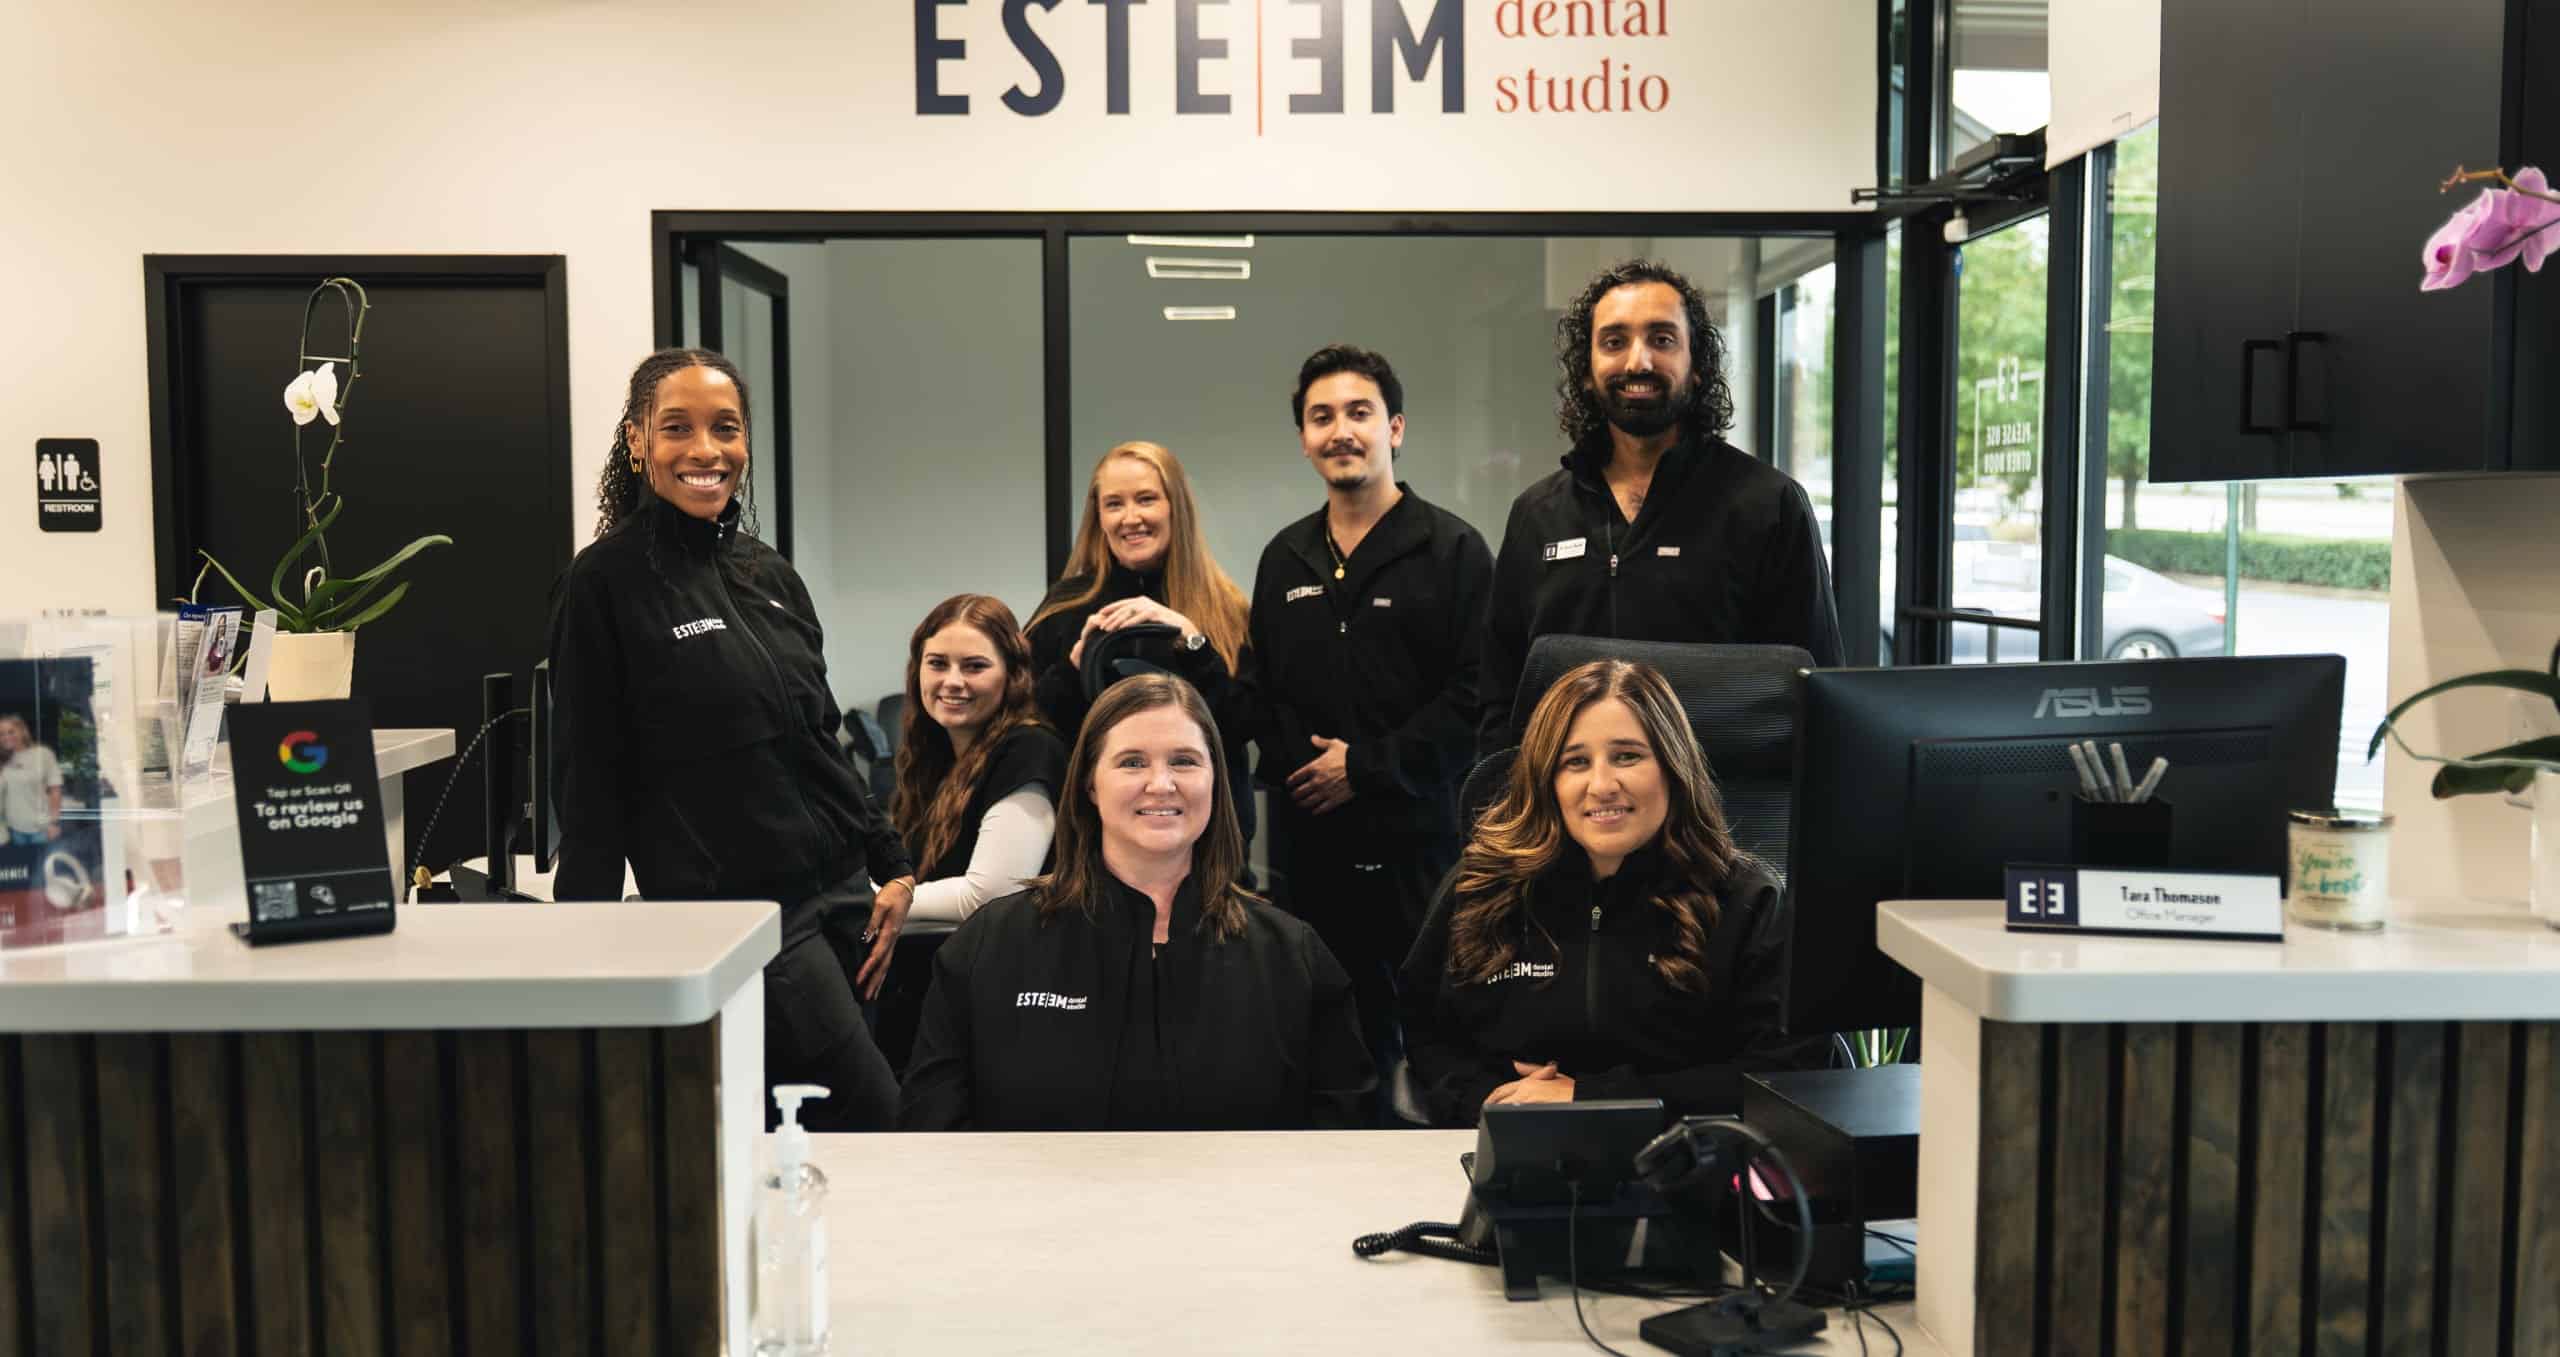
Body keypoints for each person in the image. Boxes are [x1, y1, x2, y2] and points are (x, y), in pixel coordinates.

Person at [547, 348, 909, 1131]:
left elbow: (818, 737)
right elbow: (591, 781)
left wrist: (894, 866)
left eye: (726, 428)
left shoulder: (769, 573)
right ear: (638, 441)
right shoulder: (605, 584)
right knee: (875, 1115)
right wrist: (580, 947)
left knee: (824, 1138)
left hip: (847, 899)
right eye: (677, 427)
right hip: (746, 919)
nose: (705, 450)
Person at [898, 673, 1375, 1131]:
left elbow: (1342, 1132)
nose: (1161, 784)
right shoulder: (990, 946)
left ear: (1215, 780)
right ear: (1089, 784)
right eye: (1132, 762)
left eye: (1185, 761)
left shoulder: (1293, 956)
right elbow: (932, 1127)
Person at [1239, 344, 1494, 1117]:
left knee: (1438, 1044)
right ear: (1304, 438)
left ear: (1396, 428)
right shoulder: (1285, 557)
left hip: (1423, 848)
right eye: (1322, 417)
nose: (1340, 430)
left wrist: (1370, 766)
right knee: (1330, 1048)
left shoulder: (1452, 551)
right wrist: (1306, 768)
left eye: (1359, 413)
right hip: (1311, 849)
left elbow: (1477, 696)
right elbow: (1262, 691)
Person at [1401, 658, 1819, 1127]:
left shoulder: (1746, 900)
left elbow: (1782, 1073)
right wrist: (1489, 1103)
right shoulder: (1481, 884)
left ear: (1671, 767)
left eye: (1627, 756)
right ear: (1546, 781)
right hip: (1503, 1150)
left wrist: (1592, 1098)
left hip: (1683, 1163)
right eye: (1575, 762)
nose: (1602, 786)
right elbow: (1426, 1032)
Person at [1478, 260, 1845, 751]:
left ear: (1697, 368)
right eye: (1614, 341)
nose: (1638, 362)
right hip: (1568, 811)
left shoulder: (1768, 505)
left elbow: (1813, 688)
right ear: (1586, 372)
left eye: (1662, 339)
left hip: (1723, 813)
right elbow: (1501, 697)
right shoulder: (1536, 514)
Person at [857, 593, 1067, 1069]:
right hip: (934, 987)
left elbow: (990, 893)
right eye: (938, 664)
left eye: (974, 666)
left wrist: (874, 900)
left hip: (994, 1001)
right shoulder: (933, 755)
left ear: (1012, 675)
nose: (953, 682)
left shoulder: (1029, 748)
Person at [1024, 441, 1255, 840]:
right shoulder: (1063, 606)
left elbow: (1243, 724)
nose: (1130, 518)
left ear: (1174, 506)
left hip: (1210, 844)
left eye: (1145, 499)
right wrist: (1073, 666)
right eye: (1114, 504)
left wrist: (1192, 641)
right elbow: (1031, 730)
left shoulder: (1226, 608)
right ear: (1098, 516)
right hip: (1090, 845)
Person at [0, 715, 64, 846]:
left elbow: (55, 790)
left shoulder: (43, 754)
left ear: (22, 730)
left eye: (11, 731)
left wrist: (54, 823)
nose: (6, 737)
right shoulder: (3, 760)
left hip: (41, 829)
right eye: (1, 734)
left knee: (41, 866)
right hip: (14, 830)